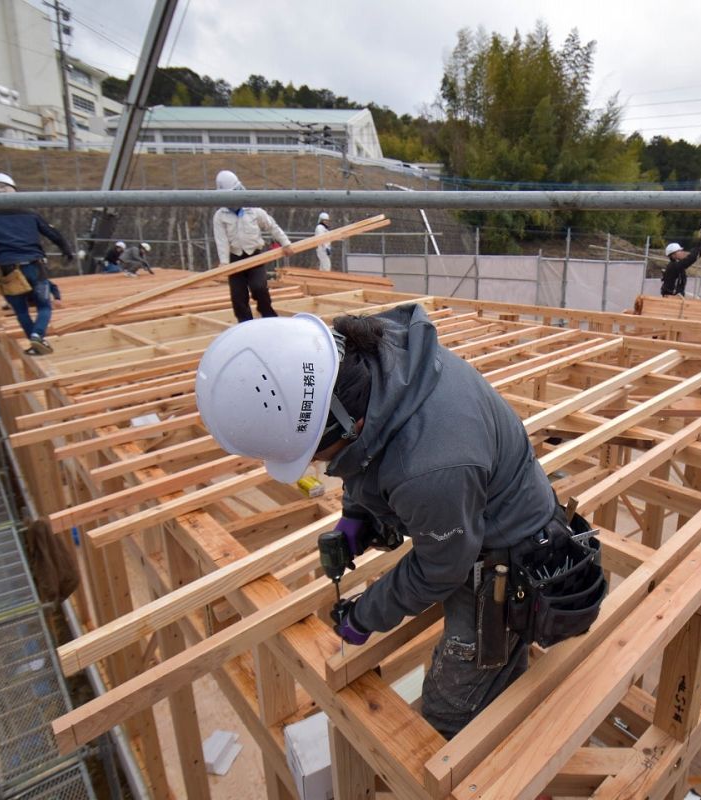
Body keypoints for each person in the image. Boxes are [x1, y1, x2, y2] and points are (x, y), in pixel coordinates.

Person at [194, 307, 604, 739]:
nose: (317, 463)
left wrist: (366, 614)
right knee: (490, 671)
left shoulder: (431, 468)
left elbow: (440, 568)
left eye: (316, 452)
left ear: (345, 424)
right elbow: (368, 451)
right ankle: (504, 682)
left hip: (506, 558)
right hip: (467, 510)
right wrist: (357, 515)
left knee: (450, 712)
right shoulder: (378, 358)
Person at [0, 172, 72, 355]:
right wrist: (65, 248)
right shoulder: (29, 213)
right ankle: (37, 335)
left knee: (21, 311)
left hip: (8, 270)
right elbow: (52, 233)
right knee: (43, 306)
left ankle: (35, 342)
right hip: (34, 266)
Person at [212, 169, 293, 322]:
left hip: (255, 256)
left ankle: (268, 315)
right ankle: (245, 323)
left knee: (259, 288)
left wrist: (286, 243)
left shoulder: (254, 210)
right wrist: (224, 262)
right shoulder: (220, 216)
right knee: (238, 297)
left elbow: (272, 226)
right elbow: (221, 240)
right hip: (235, 259)